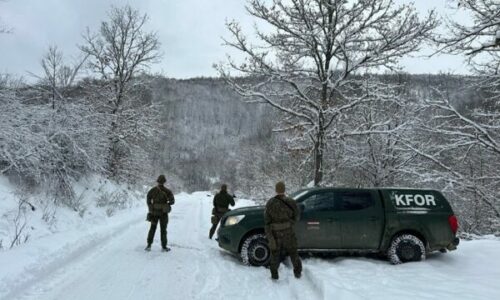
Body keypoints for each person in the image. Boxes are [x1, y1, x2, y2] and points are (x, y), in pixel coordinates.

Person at [264, 181, 302, 280]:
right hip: (288, 232)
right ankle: (297, 273)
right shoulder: (291, 202)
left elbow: (267, 220)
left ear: (276, 190)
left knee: (275, 253)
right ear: (284, 190)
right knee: (293, 252)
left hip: (275, 233)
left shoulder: (270, 203)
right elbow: (297, 217)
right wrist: (289, 223)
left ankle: (274, 275)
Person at [145, 175, 175, 251]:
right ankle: (164, 247)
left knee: (152, 228)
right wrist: (167, 203)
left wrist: (151, 206)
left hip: (154, 213)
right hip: (163, 214)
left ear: (157, 181)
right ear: (164, 182)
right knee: (163, 230)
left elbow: (148, 198)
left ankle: (149, 245)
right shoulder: (167, 191)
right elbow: (172, 201)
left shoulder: (153, 190)